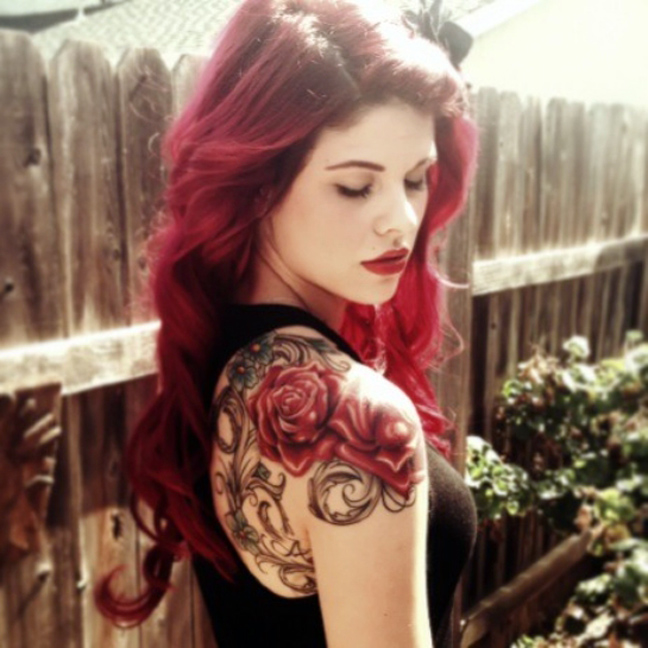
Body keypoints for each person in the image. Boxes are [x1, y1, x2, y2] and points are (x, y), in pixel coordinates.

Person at [96, 0, 479, 646]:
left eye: (417, 179)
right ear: (257, 184)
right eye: (355, 186)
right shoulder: (355, 420)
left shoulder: (220, 353)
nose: (402, 220)